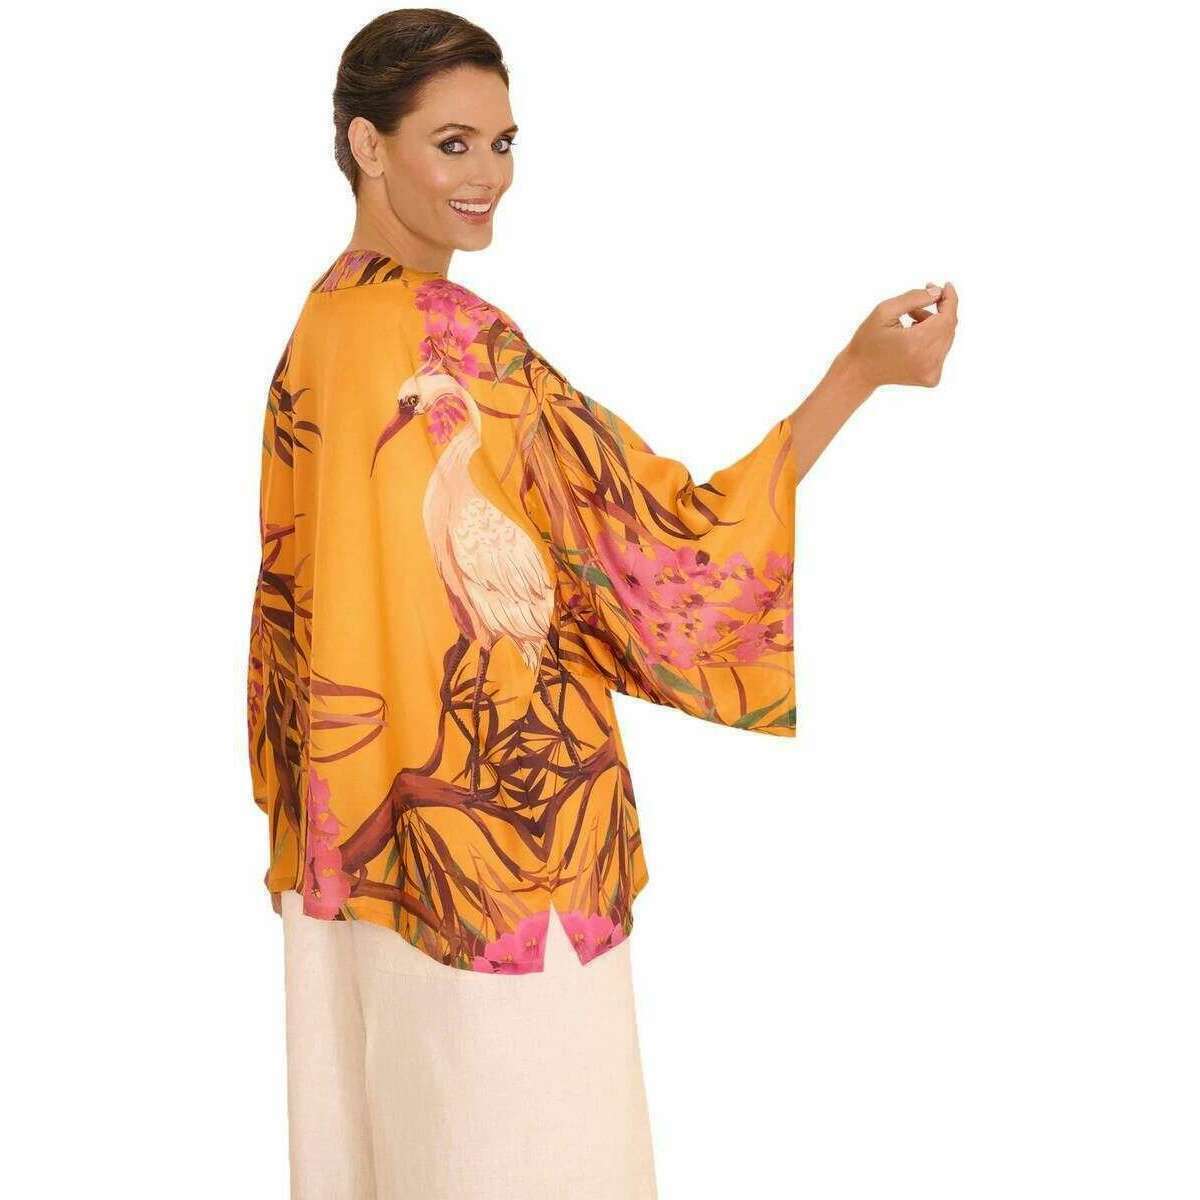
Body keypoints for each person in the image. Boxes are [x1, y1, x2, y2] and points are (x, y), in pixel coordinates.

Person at [245, 9, 959, 1198]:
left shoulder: (321, 325)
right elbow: (663, 546)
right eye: (453, 143)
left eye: (504, 143)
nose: (488, 176)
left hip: (356, 845)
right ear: (368, 147)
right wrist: (858, 377)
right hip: (506, 864)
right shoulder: (457, 340)